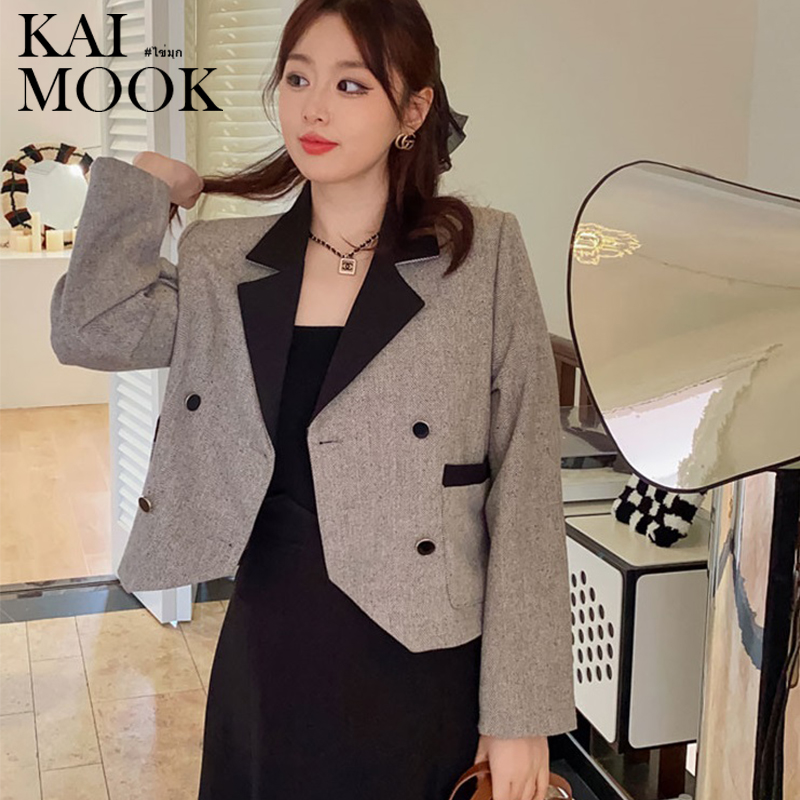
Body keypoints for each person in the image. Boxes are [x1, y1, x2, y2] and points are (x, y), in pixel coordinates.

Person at [53, 1, 576, 798]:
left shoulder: (479, 255)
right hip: (271, 650)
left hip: (421, 663)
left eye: (351, 85)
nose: (314, 108)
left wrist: (519, 716)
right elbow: (89, 330)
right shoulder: (224, 261)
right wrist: (145, 188)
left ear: (414, 110)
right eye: (298, 79)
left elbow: (526, 489)